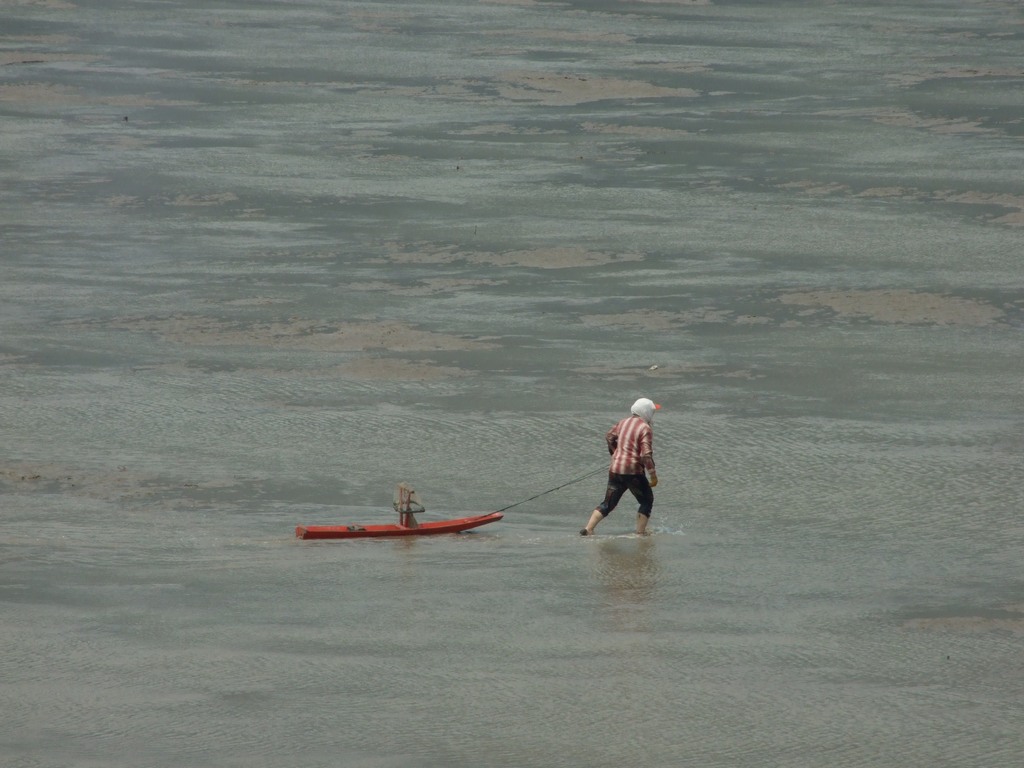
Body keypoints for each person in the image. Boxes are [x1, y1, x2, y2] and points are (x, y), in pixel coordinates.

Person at [580, 397, 660, 536]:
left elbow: (609, 436)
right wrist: (653, 475)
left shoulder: (623, 422)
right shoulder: (645, 428)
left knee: (608, 503)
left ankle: (588, 529)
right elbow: (646, 455)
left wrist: (615, 453)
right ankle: (640, 534)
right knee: (647, 500)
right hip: (633, 472)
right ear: (646, 412)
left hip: (615, 469)